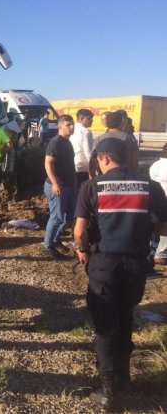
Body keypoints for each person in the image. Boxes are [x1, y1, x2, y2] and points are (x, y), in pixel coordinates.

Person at [73, 137, 167, 410]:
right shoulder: (149, 187)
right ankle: (124, 379)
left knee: (105, 328)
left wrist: (83, 251)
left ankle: (108, 392)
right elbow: (163, 227)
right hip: (136, 266)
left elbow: (80, 231)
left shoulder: (92, 187)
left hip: (105, 265)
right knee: (125, 318)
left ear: (103, 158)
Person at [43, 115, 76, 259]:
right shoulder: (55, 142)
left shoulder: (67, 142)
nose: (72, 127)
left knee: (69, 217)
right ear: (60, 126)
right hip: (57, 186)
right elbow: (48, 163)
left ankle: (56, 239)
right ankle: (47, 246)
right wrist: (55, 183)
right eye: (68, 124)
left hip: (69, 185)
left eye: (72, 124)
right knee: (57, 217)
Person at [150, 143, 167, 265]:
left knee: (159, 226)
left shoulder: (155, 165)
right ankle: (162, 253)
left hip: (157, 199)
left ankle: (156, 252)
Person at [70, 109, 94, 192]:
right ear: (82, 118)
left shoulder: (72, 129)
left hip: (73, 165)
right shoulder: (86, 132)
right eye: (90, 118)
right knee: (83, 192)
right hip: (84, 167)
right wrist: (92, 169)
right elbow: (88, 152)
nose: (92, 121)